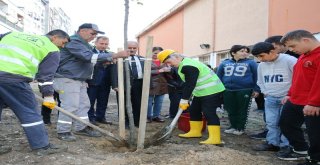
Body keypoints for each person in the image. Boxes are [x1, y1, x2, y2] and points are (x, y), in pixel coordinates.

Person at [54, 23, 129, 141]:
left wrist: (103, 62)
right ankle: (63, 131)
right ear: (83, 31)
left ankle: (81, 127)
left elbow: (88, 61)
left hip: (79, 80)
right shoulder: (73, 42)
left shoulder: (84, 45)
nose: (94, 36)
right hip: (67, 78)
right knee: (70, 105)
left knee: (84, 105)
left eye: (95, 34)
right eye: (92, 33)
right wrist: (114, 55)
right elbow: (87, 57)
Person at [0, 30, 70, 155]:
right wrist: (48, 96)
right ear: (54, 37)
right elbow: (46, 76)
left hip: (8, 77)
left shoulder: (12, 34)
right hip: (14, 79)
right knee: (30, 112)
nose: (63, 46)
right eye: (63, 42)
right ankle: (42, 147)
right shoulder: (51, 49)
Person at [157, 49, 225, 145]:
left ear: (176, 57)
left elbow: (190, 84)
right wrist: (185, 98)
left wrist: (184, 100)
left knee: (209, 113)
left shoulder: (188, 66)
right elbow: (188, 84)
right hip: (201, 92)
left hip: (212, 91)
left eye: (168, 62)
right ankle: (195, 132)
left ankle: (215, 138)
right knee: (194, 110)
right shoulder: (184, 64)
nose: (169, 65)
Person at [278, 30, 320, 164]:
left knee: (315, 133)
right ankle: (300, 149)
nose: (291, 50)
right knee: (286, 123)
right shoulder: (303, 56)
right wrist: (289, 94)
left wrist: (314, 102)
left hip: (313, 103)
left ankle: (315, 158)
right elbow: (297, 78)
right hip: (296, 99)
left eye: (292, 46)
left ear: (305, 40)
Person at [251, 42, 296, 153]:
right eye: (257, 57)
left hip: (287, 98)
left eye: (261, 56)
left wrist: (291, 95)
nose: (260, 59)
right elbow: (260, 81)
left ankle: (286, 145)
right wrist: (265, 92)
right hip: (270, 98)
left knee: (286, 123)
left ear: (272, 52)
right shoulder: (261, 65)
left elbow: (299, 78)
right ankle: (272, 143)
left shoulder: (289, 60)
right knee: (271, 122)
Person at [217, 45, 260, 135]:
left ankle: (240, 128)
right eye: (242, 51)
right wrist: (218, 88)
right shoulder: (224, 63)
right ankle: (233, 126)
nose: (245, 53)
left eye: (246, 51)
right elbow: (218, 76)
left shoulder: (251, 63)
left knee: (242, 109)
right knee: (230, 109)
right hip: (227, 90)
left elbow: (257, 76)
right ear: (233, 53)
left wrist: (256, 89)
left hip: (244, 89)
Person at [87, 36, 113, 125]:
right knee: (90, 101)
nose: (103, 46)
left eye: (106, 44)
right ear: (96, 43)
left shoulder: (111, 54)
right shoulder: (89, 53)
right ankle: (90, 118)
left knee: (103, 101)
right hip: (92, 82)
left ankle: (101, 117)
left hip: (105, 82)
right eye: (101, 43)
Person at [147, 47, 168, 123]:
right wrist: (159, 70)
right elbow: (146, 71)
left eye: (159, 53)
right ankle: (148, 116)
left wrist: (168, 70)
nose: (157, 55)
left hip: (162, 83)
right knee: (149, 101)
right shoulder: (147, 61)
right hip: (151, 83)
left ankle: (156, 116)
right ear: (151, 53)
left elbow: (169, 70)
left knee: (159, 101)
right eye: (155, 53)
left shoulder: (164, 61)